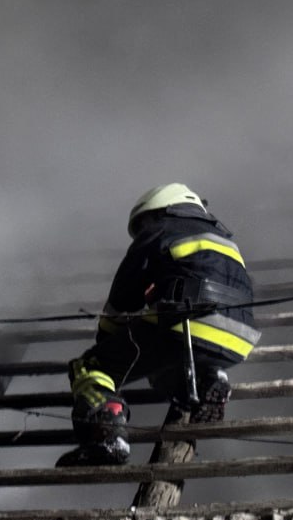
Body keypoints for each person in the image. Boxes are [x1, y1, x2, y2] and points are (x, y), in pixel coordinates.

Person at [56, 183, 261, 467]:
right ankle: (208, 378)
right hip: (238, 340)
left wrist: (107, 342)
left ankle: (106, 436)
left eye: (143, 224)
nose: (143, 230)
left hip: (186, 324)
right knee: (161, 369)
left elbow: (123, 297)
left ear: (158, 212)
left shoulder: (160, 230)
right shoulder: (227, 243)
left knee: (90, 366)